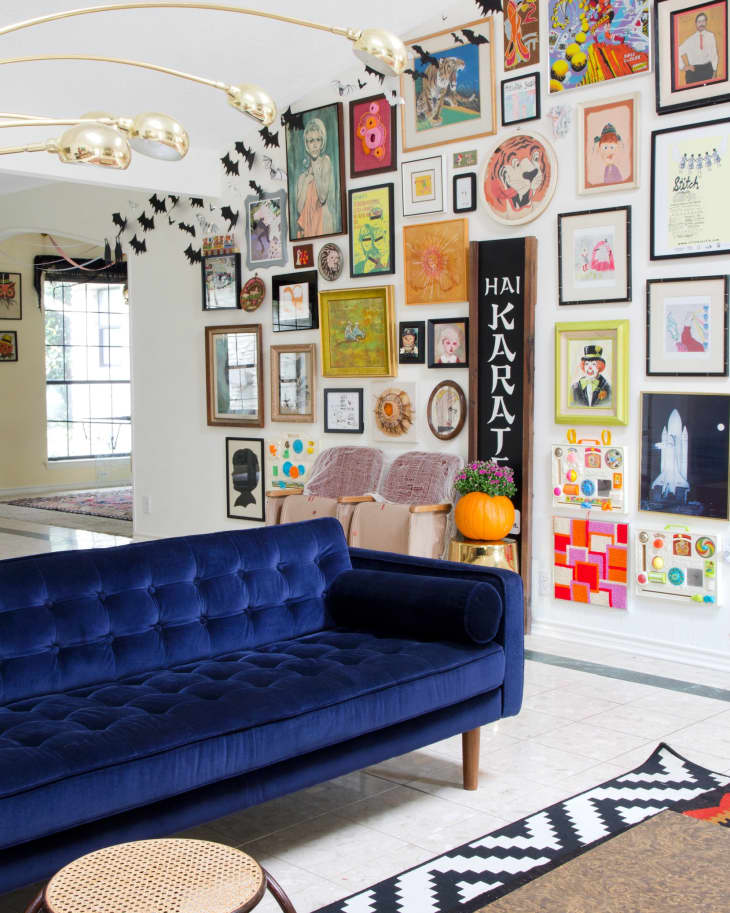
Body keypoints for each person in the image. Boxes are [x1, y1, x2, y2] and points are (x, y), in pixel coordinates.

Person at [296, 118, 336, 238]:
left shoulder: (325, 161)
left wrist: (316, 170)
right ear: (306, 144)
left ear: (322, 141)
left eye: (318, 140)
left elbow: (323, 196)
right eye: (310, 141)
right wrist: (305, 183)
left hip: (322, 223)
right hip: (307, 226)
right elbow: (299, 209)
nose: (314, 145)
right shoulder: (302, 177)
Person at [678, 11, 718, 85]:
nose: (701, 23)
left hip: (707, 69)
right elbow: (677, 51)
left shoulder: (711, 36)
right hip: (693, 72)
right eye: (699, 21)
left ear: (706, 22)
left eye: (703, 21)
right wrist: (683, 67)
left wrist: (714, 70)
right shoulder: (690, 40)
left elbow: (714, 54)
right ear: (696, 24)